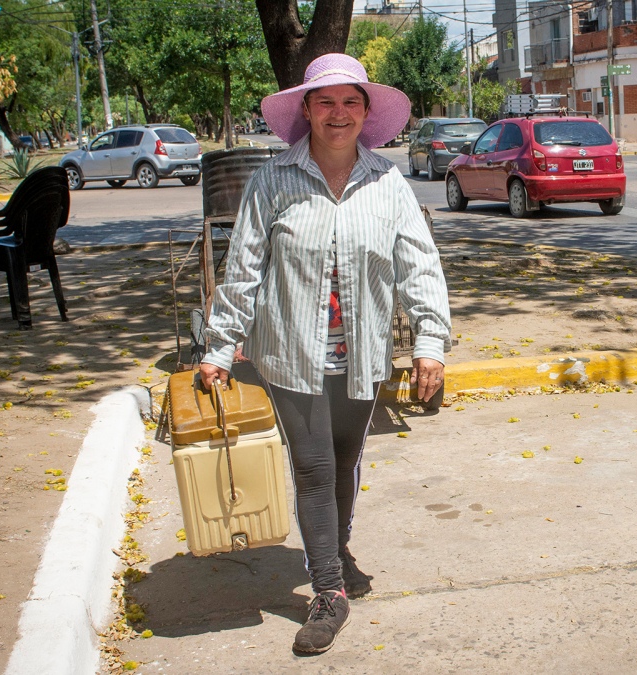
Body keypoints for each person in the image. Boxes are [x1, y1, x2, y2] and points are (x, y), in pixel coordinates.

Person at [198, 53, 452, 654]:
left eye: (350, 102)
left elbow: (420, 268)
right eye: (325, 102)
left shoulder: (389, 183)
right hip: (292, 354)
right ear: (306, 110)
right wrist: (219, 345)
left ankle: (334, 546)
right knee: (312, 467)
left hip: (361, 354)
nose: (338, 114)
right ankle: (328, 591)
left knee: (344, 461)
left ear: (365, 112)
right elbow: (243, 272)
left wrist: (430, 344)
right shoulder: (273, 180)